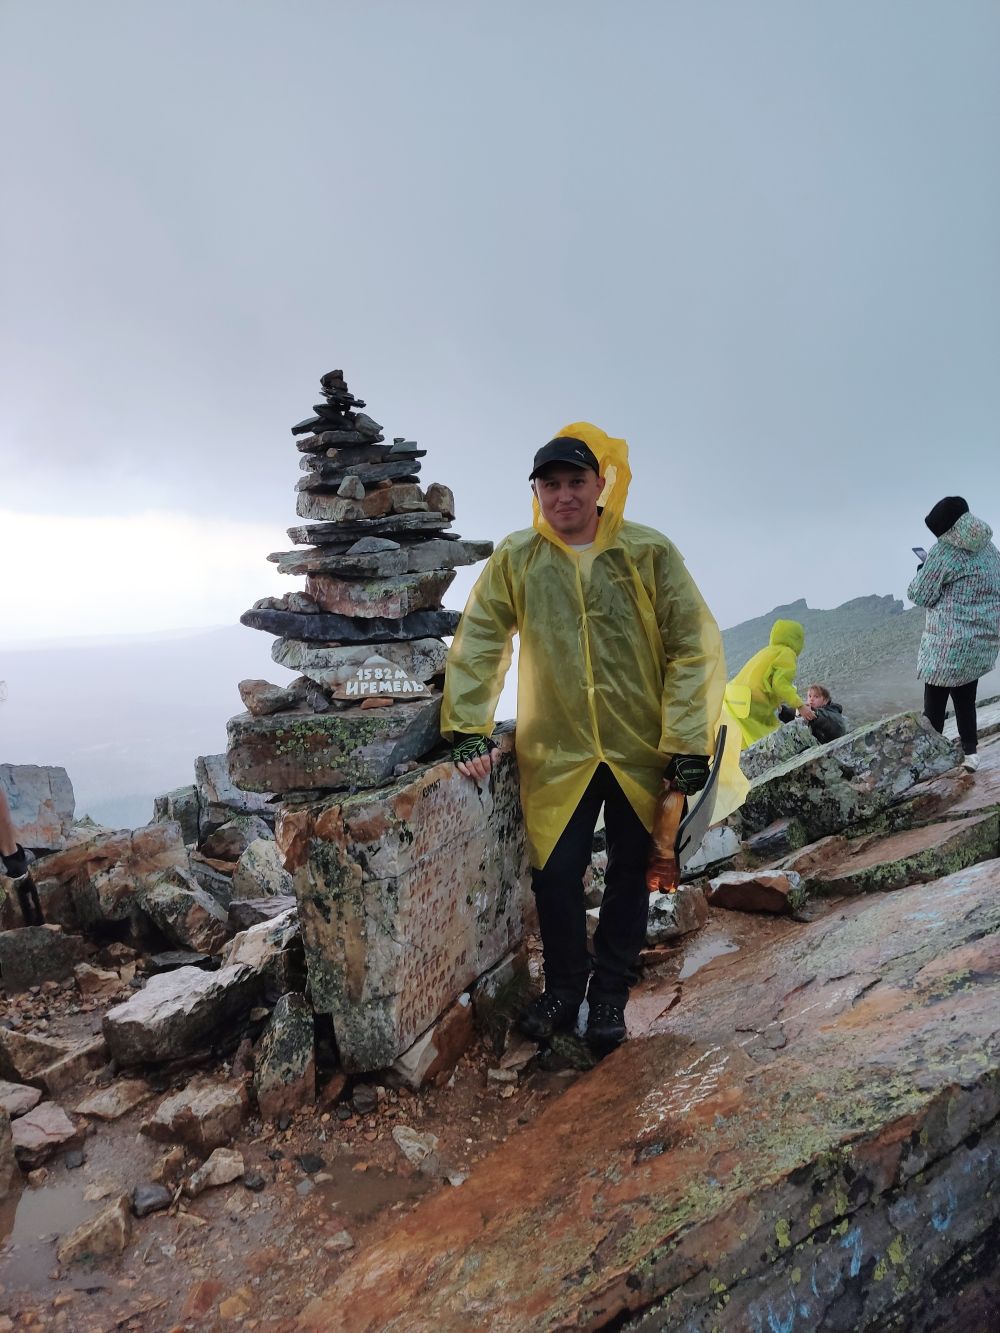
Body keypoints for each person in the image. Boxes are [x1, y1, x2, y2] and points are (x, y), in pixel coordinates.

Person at [441, 424, 726, 1056]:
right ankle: (565, 988)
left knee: (631, 870)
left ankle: (610, 995)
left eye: (576, 481)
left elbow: (690, 646)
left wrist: (687, 742)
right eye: (550, 485)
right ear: (536, 492)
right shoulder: (518, 558)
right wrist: (467, 728)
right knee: (556, 874)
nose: (563, 495)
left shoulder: (646, 552)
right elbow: (482, 638)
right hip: (556, 748)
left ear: (602, 483)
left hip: (640, 745)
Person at [908, 496, 1000, 772]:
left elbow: (920, 594)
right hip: (979, 641)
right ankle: (971, 754)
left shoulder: (943, 552)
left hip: (946, 645)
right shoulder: (989, 548)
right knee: (965, 700)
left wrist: (923, 570)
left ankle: (931, 763)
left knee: (934, 708)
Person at [723, 619, 805, 749]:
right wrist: (800, 705)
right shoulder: (787, 653)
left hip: (731, 697)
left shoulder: (766, 651)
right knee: (769, 740)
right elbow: (780, 684)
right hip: (751, 703)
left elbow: (764, 679)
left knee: (742, 739)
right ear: (797, 640)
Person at [778, 684, 848, 744]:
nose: (811, 699)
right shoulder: (808, 710)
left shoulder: (833, 713)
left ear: (825, 701)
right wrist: (782, 710)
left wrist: (814, 713)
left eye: (816, 697)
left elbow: (825, 718)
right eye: (810, 696)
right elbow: (793, 713)